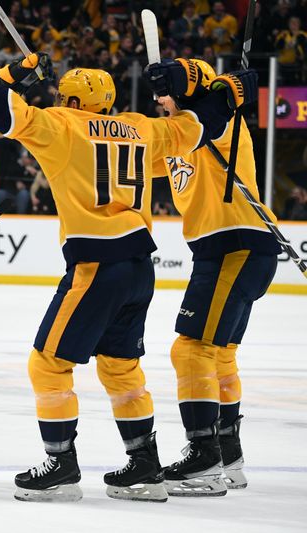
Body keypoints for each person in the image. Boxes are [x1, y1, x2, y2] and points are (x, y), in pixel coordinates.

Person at [0, 34, 254, 502]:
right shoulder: (143, 129)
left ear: (69, 100)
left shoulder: (60, 125)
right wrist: (229, 89)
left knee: (48, 362)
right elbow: (204, 123)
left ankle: (61, 465)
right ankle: (144, 465)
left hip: (96, 262)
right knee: (121, 366)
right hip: (140, 266)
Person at [155, 59, 281, 496]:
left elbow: (216, 105)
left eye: (165, 91)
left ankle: (203, 458)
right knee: (219, 353)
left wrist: (213, 88)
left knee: (189, 349)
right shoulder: (177, 134)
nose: (157, 99)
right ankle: (229, 456)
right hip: (224, 250)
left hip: (237, 245)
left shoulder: (219, 122)